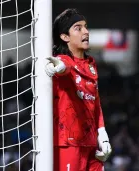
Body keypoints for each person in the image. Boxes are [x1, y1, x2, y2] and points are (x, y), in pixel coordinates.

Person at [45, 8, 112, 171]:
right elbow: (64, 66)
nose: (86, 31)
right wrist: (59, 67)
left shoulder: (91, 65)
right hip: (68, 144)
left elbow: (95, 102)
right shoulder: (61, 61)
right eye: (78, 28)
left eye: (85, 26)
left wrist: (102, 133)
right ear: (64, 36)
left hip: (90, 144)